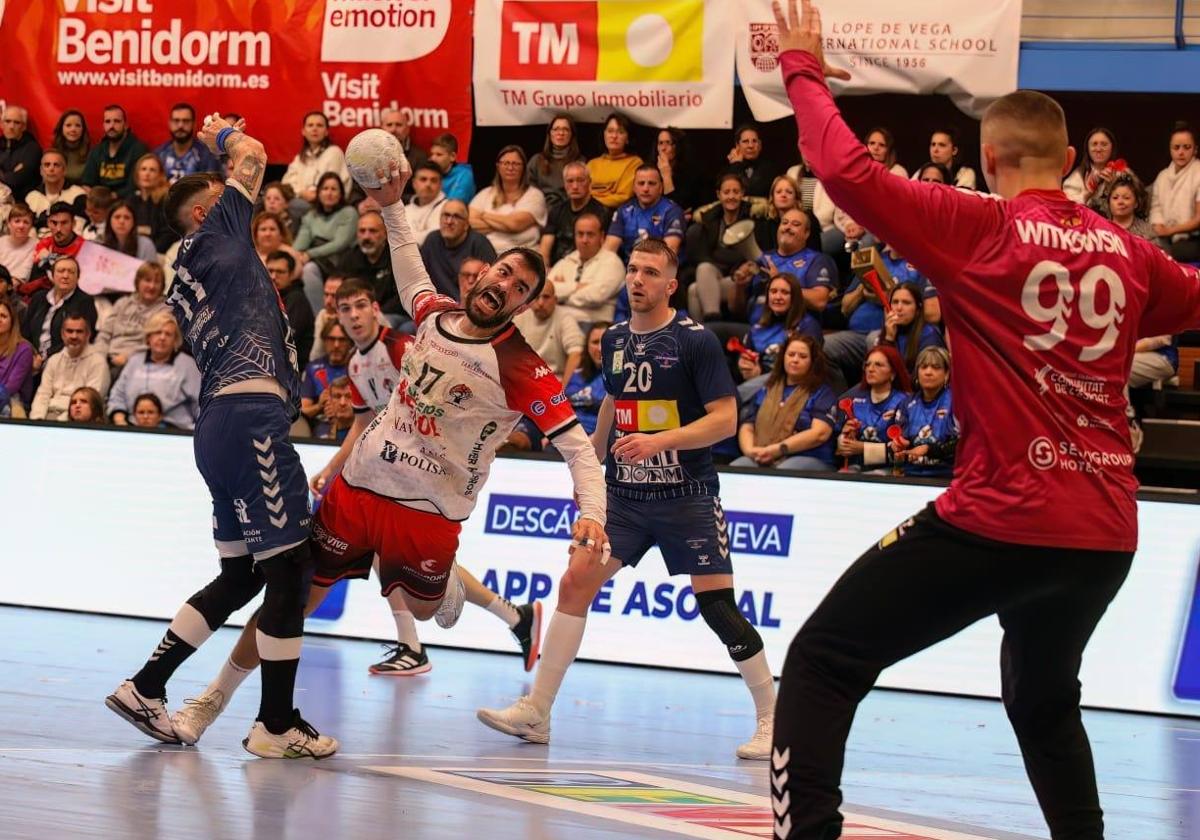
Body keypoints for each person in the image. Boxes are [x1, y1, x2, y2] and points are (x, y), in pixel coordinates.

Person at [769, 5, 1200, 839]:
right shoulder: (1132, 252)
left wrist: (802, 70)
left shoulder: (981, 226)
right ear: (1073, 162)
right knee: (1043, 701)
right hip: (1105, 532)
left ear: (986, 159)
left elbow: (848, 174)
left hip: (1002, 517)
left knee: (823, 662)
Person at [169, 162, 603, 742]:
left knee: (424, 614)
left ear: (522, 306)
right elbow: (408, 266)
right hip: (359, 488)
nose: (505, 285)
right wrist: (392, 204)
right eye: (502, 271)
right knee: (290, 598)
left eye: (520, 287)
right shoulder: (434, 314)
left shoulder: (523, 365)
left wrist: (592, 513)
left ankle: (444, 585)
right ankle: (209, 702)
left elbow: (577, 447)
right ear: (482, 275)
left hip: (428, 515)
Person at [478, 238, 777, 761]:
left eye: (650, 272)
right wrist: (589, 462)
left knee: (717, 608)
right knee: (574, 583)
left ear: (670, 284)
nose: (637, 279)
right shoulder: (613, 339)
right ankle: (538, 711)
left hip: (686, 493)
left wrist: (659, 441)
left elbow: (726, 420)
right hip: (626, 496)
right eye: (633, 269)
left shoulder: (695, 341)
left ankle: (774, 720)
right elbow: (615, 400)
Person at [105, 115, 337, 758]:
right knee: (290, 567)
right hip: (251, 420)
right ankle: (276, 724)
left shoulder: (186, 273)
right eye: (228, 195)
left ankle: (145, 686)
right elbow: (257, 153)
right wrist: (224, 134)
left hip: (218, 427)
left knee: (239, 578)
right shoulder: (221, 234)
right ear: (209, 210)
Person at [733, 334, 836, 471]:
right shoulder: (766, 388)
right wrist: (751, 451)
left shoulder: (822, 393)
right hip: (762, 455)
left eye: (802, 356)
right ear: (783, 358)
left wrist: (778, 449)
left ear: (813, 362)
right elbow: (747, 426)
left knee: (783, 472)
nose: (795, 360)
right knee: (738, 467)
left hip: (808, 458)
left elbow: (820, 434)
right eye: (791, 354)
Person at [106, 311, 201, 429]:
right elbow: (117, 396)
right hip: (133, 428)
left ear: (175, 340)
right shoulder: (135, 361)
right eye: (157, 332)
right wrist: (120, 421)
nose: (162, 337)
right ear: (148, 337)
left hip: (174, 430)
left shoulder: (187, 364)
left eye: (168, 334)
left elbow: (199, 404)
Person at [687, 172, 756, 321]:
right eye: (726, 192)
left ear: (742, 194)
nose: (731, 196)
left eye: (736, 192)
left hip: (741, 277)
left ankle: (709, 329)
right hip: (716, 273)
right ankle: (711, 321)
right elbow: (703, 256)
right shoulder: (710, 220)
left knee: (695, 289)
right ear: (719, 195)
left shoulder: (752, 218)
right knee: (703, 268)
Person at [737, 273, 823, 385]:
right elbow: (746, 355)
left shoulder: (808, 326)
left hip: (790, 383)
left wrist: (761, 373)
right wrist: (745, 365)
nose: (778, 297)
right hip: (756, 382)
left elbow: (807, 369)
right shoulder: (758, 326)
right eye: (773, 292)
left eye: (785, 292)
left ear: (795, 297)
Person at [834, 344, 909, 472]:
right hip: (857, 467)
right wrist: (843, 439)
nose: (870, 369)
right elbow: (838, 446)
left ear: (893, 373)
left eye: (878, 365)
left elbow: (903, 450)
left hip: (890, 469)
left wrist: (862, 448)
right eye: (867, 365)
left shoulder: (905, 402)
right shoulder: (854, 399)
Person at [294, 171, 359, 311]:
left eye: (333, 189)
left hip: (342, 263)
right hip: (319, 262)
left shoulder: (349, 213)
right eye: (325, 188)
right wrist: (295, 256)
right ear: (318, 192)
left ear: (341, 193)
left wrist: (309, 254)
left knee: (308, 269)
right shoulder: (311, 215)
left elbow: (340, 243)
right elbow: (299, 245)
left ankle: (320, 317)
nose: (329, 193)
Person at [546, 211, 625, 323]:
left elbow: (595, 297)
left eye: (590, 234)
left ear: (602, 237)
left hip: (594, 325)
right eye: (580, 234)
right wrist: (577, 287)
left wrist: (561, 295)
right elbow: (546, 290)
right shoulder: (566, 261)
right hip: (561, 322)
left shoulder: (612, 262)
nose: (584, 240)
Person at [890, 346, 957, 477]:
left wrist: (929, 449)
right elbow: (900, 445)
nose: (928, 372)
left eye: (936, 367)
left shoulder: (957, 402)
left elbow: (964, 445)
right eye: (924, 367)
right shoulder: (906, 404)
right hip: (911, 475)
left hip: (947, 476)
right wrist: (900, 445)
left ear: (947, 374)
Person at [30, 313, 110, 420]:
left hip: (77, 421)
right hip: (48, 416)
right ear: (62, 334)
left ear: (88, 335)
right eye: (69, 331)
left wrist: (59, 424)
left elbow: (91, 403)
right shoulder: (54, 360)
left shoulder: (98, 362)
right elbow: (42, 394)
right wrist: (37, 420)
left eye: (79, 331)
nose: (74, 336)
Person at [470, 146, 548, 253]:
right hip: (487, 256)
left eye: (516, 164)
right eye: (506, 163)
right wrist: (506, 225)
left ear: (524, 168)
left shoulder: (534, 195)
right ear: (498, 166)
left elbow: (515, 224)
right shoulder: (485, 194)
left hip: (524, 256)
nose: (510, 168)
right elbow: (469, 222)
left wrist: (484, 215)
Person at [95, 261, 168, 374]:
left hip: (136, 361)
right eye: (147, 280)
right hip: (107, 357)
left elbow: (153, 344)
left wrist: (128, 356)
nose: (152, 286)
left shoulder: (164, 310)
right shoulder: (122, 303)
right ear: (138, 282)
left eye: (157, 282)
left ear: (162, 286)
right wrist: (99, 357)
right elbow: (105, 334)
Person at [22, 256, 97, 363]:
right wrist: (30, 356)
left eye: (71, 272)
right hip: (32, 357)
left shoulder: (84, 301)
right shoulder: (39, 298)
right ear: (52, 275)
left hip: (64, 359)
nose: (65, 276)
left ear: (78, 277)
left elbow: (82, 337)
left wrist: (45, 357)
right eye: (61, 271)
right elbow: (25, 332)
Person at [419, 201, 497, 299]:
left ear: (466, 224)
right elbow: (418, 280)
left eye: (456, 217)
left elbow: (491, 285)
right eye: (446, 215)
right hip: (436, 306)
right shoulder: (432, 240)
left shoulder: (479, 244)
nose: (449, 221)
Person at [512, 279, 584, 387]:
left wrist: (563, 390)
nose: (540, 303)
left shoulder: (565, 318)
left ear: (555, 300)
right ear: (529, 300)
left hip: (554, 382)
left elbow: (576, 353)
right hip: (524, 382)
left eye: (546, 297)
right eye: (536, 297)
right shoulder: (519, 318)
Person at [603, 165, 685, 260]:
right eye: (641, 183)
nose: (646, 189)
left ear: (661, 188)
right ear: (634, 187)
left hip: (662, 269)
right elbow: (609, 250)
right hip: (629, 269)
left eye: (651, 183)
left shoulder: (672, 211)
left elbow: (670, 251)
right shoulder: (623, 211)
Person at [539, 161, 609, 268]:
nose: (575, 186)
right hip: (557, 269)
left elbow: (604, 253)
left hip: (589, 268)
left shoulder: (602, 212)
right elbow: (545, 249)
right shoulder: (556, 210)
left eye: (580, 180)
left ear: (589, 182)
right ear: (564, 184)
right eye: (570, 181)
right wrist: (545, 273)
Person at [1149, 123, 1200, 262]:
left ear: (1195, 150)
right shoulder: (1163, 176)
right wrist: (1159, 228)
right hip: (1166, 236)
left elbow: (1198, 218)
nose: (1181, 152)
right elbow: (1156, 209)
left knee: (1177, 251)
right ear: (1170, 149)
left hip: (1194, 238)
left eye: (1186, 147)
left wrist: (1170, 231)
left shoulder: (1198, 172)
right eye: (1176, 147)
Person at [281, 111, 350, 208]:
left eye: (319, 125)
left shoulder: (334, 152)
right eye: (310, 125)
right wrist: (301, 192)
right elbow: (286, 184)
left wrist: (305, 193)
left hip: (327, 205)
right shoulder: (300, 158)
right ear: (303, 131)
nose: (314, 129)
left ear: (326, 132)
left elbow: (328, 186)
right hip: (302, 200)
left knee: (294, 205)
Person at [876, 281, 945, 374]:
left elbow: (921, 380)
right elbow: (878, 368)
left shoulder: (929, 336)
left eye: (906, 303)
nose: (899, 308)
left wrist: (889, 341)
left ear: (918, 309)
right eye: (895, 302)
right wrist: (888, 338)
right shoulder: (889, 329)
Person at [82, 105, 149, 197]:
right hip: (100, 202)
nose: (112, 126)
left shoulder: (138, 150)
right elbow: (87, 183)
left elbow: (136, 186)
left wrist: (113, 196)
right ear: (104, 125)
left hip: (127, 201)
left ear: (125, 125)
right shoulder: (97, 151)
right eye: (108, 122)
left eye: (117, 121)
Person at [299, 319, 352, 433]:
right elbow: (303, 411)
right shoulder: (313, 368)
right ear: (324, 341)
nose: (336, 345)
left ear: (350, 342)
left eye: (342, 340)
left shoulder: (359, 367)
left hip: (354, 426)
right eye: (331, 339)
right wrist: (319, 406)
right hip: (323, 426)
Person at [266, 250, 315, 368]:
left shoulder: (296, 299)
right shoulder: (267, 296)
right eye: (270, 271)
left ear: (291, 274)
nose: (273, 276)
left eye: (280, 272)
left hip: (294, 371)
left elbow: (285, 341)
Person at [1062, 127, 1130, 212]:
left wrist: (1113, 186)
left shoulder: (1123, 174)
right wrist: (1088, 193)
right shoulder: (1078, 175)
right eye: (1094, 144)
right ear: (1088, 149)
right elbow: (1067, 206)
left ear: (1112, 147)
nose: (1098, 149)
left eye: (1104, 144)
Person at [587, 113, 643, 209]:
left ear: (627, 139)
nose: (614, 136)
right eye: (610, 131)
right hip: (587, 212)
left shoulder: (634, 163)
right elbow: (582, 192)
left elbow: (623, 197)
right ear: (604, 134)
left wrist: (591, 201)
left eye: (620, 132)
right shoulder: (592, 164)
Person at [155, 102, 221, 183]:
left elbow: (211, 188)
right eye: (176, 120)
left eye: (186, 121)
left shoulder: (206, 155)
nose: (180, 125)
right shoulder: (160, 154)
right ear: (170, 123)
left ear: (194, 124)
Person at [25, 150, 87, 235]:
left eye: (56, 165)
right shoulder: (31, 197)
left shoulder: (78, 195)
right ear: (41, 171)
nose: (51, 169)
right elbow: (27, 230)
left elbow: (78, 230)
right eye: (47, 165)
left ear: (64, 170)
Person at [564, 321, 610, 435]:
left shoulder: (621, 376)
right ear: (587, 346)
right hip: (567, 436)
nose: (600, 348)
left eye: (605, 342)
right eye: (595, 342)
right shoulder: (578, 373)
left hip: (596, 440)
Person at [25, 201, 84, 286]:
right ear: (48, 223)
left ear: (73, 223)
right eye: (54, 223)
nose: (58, 229)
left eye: (64, 223)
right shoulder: (44, 244)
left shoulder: (84, 248)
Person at [527, 114, 584, 200]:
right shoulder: (536, 161)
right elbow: (528, 191)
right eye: (556, 129)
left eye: (565, 129)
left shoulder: (580, 161)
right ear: (550, 133)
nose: (561, 133)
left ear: (572, 134)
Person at [129, 153, 178, 253]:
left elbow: (169, 234)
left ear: (160, 175)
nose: (147, 174)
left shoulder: (167, 200)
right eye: (143, 169)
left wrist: (148, 251)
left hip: (160, 254)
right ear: (137, 174)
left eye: (152, 170)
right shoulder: (131, 200)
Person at [654, 126, 704, 214]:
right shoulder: (651, 169)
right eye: (660, 143)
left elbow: (675, 208)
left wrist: (666, 176)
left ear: (678, 146)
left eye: (668, 143)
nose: (663, 148)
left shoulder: (690, 172)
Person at [0, 297, 34, 418]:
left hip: (13, 402)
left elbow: (11, 388)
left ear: (12, 321)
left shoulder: (24, 349)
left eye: (3, 316)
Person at [0, 105, 41, 202]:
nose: (11, 126)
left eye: (16, 123)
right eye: (8, 121)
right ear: (1, 124)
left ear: (24, 127)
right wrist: (10, 174)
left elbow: (17, 179)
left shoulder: (32, 148)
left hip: (22, 203)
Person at [725, 124, 778, 197]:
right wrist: (736, 165)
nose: (750, 146)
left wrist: (736, 165)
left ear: (760, 145)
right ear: (737, 146)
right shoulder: (726, 169)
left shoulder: (768, 168)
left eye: (754, 141)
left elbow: (749, 193)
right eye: (745, 141)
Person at [403, 163, 447, 246]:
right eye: (423, 179)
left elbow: (433, 239)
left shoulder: (447, 208)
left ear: (441, 185)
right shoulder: (404, 210)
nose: (428, 184)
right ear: (414, 183)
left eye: (433, 180)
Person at [1105, 173, 1156, 242]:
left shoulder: (1147, 232)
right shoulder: (1101, 230)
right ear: (1109, 202)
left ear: (1136, 203)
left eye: (1126, 198)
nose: (1120, 202)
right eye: (1115, 198)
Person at [428, 133, 476, 203]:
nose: (432, 158)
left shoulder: (464, 175)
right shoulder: (430, 173)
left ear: (452, 156)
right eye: (431, 154)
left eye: (439, 154)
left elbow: (452, 205)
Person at [49, 110, 90, 184]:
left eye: (77, 125)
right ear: (61, 128)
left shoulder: (91, 153)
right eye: (68, 125)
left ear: (83, 129)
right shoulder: (51, 153)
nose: (73, 129)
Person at [0, 203, 36, 281]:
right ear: (9, 224)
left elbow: (23, 276)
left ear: (31, 226)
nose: (21, 226)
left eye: (26, 222)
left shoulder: (36, 245)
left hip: (18, 287)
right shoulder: (1, 242)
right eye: (17, 221)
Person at [313, 375, 355, 441]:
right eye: (337, 397)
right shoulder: (320, 430)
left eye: (348, 396)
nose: (342, 403)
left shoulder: (369, 432)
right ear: (329, 400)